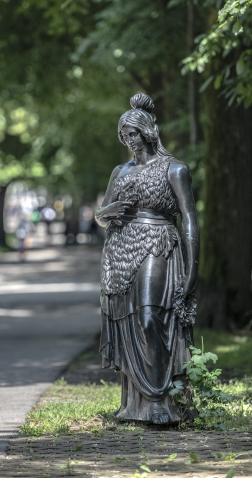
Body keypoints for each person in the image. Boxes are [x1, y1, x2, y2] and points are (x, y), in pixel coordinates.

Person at [95, 93, 200, 425]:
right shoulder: (120, 171)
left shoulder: (175, 169)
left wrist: (192, 269)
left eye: (134, 134)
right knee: (127, 320)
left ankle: (158, 399)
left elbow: (188, 220)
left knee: (149, 316)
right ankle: (134, 403)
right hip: (120, 251)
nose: (130, 141)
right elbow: (102, 214)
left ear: (148, 132)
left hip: (157, 242)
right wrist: (105, 213)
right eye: (125, 136)